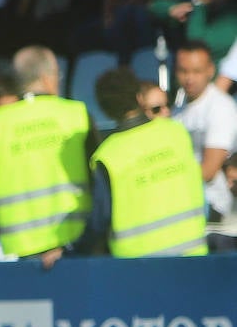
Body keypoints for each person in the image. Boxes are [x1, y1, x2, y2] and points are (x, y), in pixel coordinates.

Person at [0, 46, 97, 263]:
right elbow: (99, 180)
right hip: (76, 244)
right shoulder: (77, 114)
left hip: (20, 250)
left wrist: (1, 232)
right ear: (47, 79)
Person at [88, 68, 208, 257]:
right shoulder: (176, 133)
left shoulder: (107, 156)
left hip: (139, 269)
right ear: (139, 98)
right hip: (193, 257)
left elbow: (99, 221)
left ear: (105, 109)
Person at [173, 40, 237, 245]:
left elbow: (209, 170)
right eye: (183, 71)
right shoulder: (178, 110)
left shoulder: (220, 107)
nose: (189, 78)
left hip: (215, 213)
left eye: (197, 71)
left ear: (211, 70)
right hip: (187, 203)